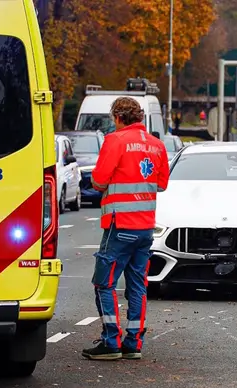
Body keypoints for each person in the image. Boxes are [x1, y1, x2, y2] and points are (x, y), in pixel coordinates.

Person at [82, 97, 169, 361]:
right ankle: (134, 342)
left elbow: (98, 180)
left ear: (118, 117)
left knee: (104, 283)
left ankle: (111, 341)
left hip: (119, 226)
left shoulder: (115, 141)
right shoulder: (157, 145)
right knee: (137, 285)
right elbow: (162, 184)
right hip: (145, 228)